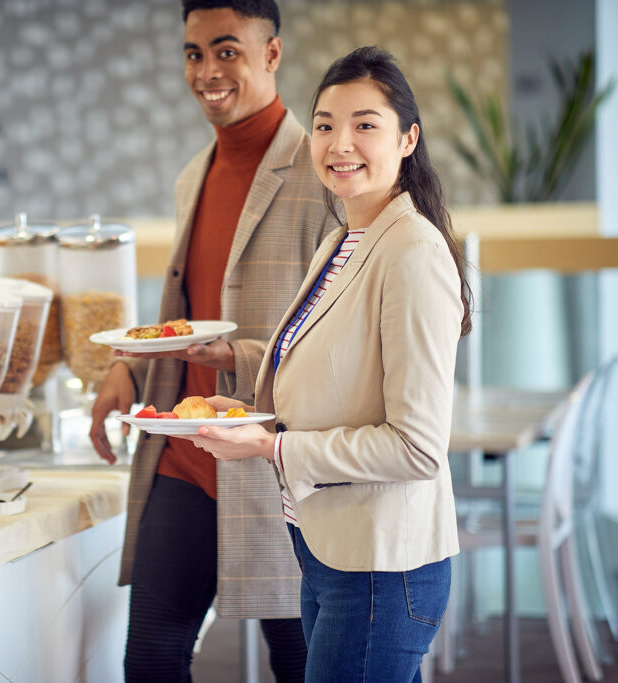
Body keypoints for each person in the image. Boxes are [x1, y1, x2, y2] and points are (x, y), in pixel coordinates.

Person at [182, 45, 473, 681]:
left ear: (407, 139)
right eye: (324, 125)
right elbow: (335, 378)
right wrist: (254, 415)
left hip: (380, 566)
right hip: (329, 549)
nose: (340, 143)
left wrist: (272, 450)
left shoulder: (412, 252)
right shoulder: (345, 239)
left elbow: (417, 448)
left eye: (365, 124)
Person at [89, 1, 338, 680]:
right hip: (186, 455)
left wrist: (241, 360)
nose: (207, 72)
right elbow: (188, 307)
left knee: (301, 660)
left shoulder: (321, 174)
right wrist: (127, 367)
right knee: (150, 659)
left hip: (277, 462)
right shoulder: (191, 175)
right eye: (194, 54)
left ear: (272, 54)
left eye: (227, 51)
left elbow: (334, 334)